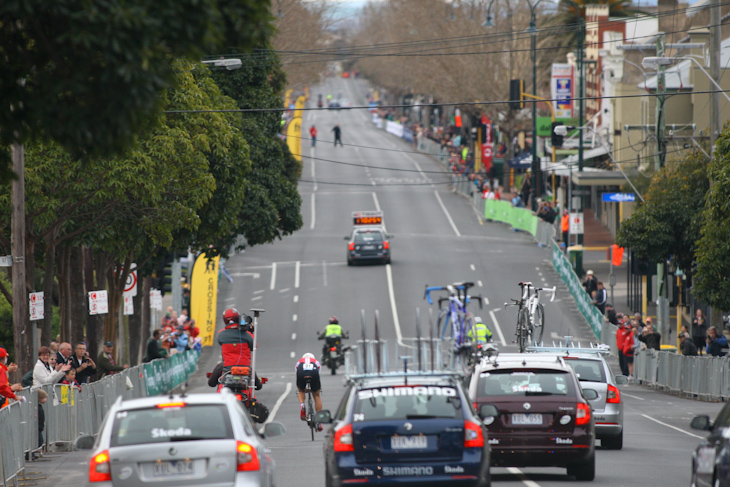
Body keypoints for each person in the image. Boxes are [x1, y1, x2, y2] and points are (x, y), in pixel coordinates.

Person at [216, 308, 254, 372]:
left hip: (228, 367)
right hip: (246, 367)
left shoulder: (221, 334)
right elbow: (253, 346)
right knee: (255, 379)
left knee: (211, 381)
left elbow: (219, 341)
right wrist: (251, 331)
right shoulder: (247, 334)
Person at [295, 353, 322, 431]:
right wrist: (314, 389)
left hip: (301, 372)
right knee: (316, 395)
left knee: (300, 391)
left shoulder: (299, 362)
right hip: (314, 373)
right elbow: (318, 374)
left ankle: (302, 405)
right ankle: (319, 422)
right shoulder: (316, 362)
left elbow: (297, 374)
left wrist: (303, 388)